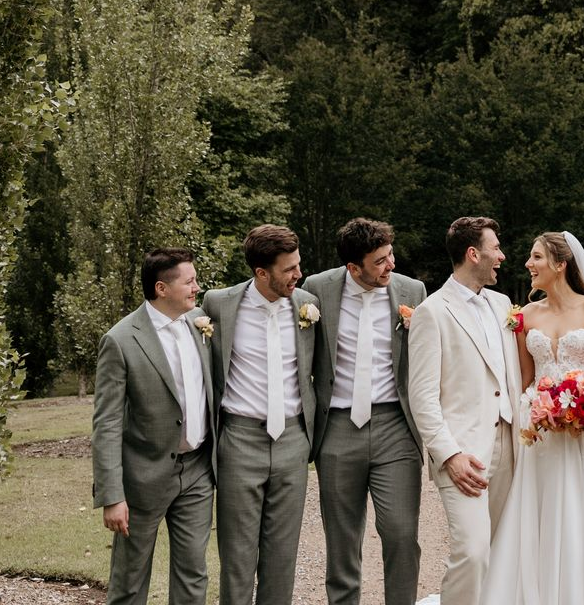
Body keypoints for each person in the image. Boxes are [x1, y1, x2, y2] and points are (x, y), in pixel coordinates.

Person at [483, 231, 584, 605]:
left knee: (582, 508)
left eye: (535, 258)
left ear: (560, 264)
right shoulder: (525, 316)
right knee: (539, 507)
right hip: (540, 432)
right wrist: (532, 414)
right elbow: (526, 379)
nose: (528, 265)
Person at [302, 218, 429, 605]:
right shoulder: (316, 290)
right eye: (380, 261)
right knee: (342, 539)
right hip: (338, 427)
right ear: (353, 268)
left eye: (390, 255)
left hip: (395, 426)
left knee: (402, 534)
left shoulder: (412, 290)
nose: (390, 265)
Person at [201, 225, 323, 605]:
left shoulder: (308, 304)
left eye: (297, 266)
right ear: (261, 273)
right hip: (239, 439)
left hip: (292, 441)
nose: (297, 274)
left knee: (282, 555)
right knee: (237, 556)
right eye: (289, 269)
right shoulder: (218, 305)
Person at [405, 216, 521, 605]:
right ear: (473, 254)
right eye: (495, 248)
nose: (502, 256)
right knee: (471, 553)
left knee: (501, 552)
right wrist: (449, 455)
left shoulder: (503, 304)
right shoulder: (432, 312)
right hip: (463, 452)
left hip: (510, 442)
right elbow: (421, 396)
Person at [92, 247, 216, 605]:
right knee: (129, 582)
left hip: (196, 470)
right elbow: (107, 423)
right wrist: (112, 495)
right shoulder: (120, 339)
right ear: (162, 289)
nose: (197, 288)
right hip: (142, 479)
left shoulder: (200, 322)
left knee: (194, 575)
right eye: (189, 281)